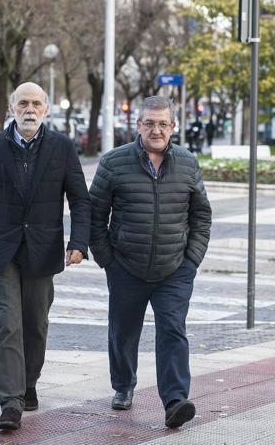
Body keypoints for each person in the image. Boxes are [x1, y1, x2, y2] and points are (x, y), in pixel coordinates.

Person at [0, 82, 90, 431]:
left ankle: (29, 384)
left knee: (36, 325)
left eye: (36, 103)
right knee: (8, 325)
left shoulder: (62, 148)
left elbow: (80, 199)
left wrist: (79, 241)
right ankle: (10, 401)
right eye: (23, 103)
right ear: (11, 107)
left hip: (43, 250)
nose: (29, 109)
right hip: (1, 251)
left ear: (46, 109)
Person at [89, 96, 212, 429]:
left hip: (174, 268)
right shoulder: (113, 163)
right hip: (126, 266)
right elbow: (94, 214)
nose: (156, 129)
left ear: (173, 127)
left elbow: (201, 214)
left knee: (173, 330)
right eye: (149, 123)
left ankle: (175, 401)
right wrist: (107, 259)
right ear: (138, 125)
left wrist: (192, 259)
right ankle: (123, 385)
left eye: (163, 123)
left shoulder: (187, 163)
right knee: (123, 332)